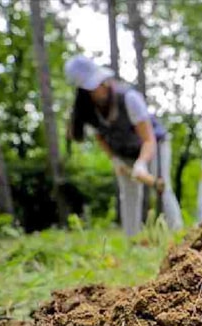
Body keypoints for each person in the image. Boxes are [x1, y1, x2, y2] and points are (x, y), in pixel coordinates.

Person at [64, 55, 183, 235]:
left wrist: (142, 164)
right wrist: (115, 160)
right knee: (128, 193)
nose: (99, 89)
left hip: (153, 144)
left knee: (163, 188)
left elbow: (148, 139)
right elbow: (101, 138)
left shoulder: (129, 98)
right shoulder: (87, 110)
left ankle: (178, 233)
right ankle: (132, 240)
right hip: (124, 151)